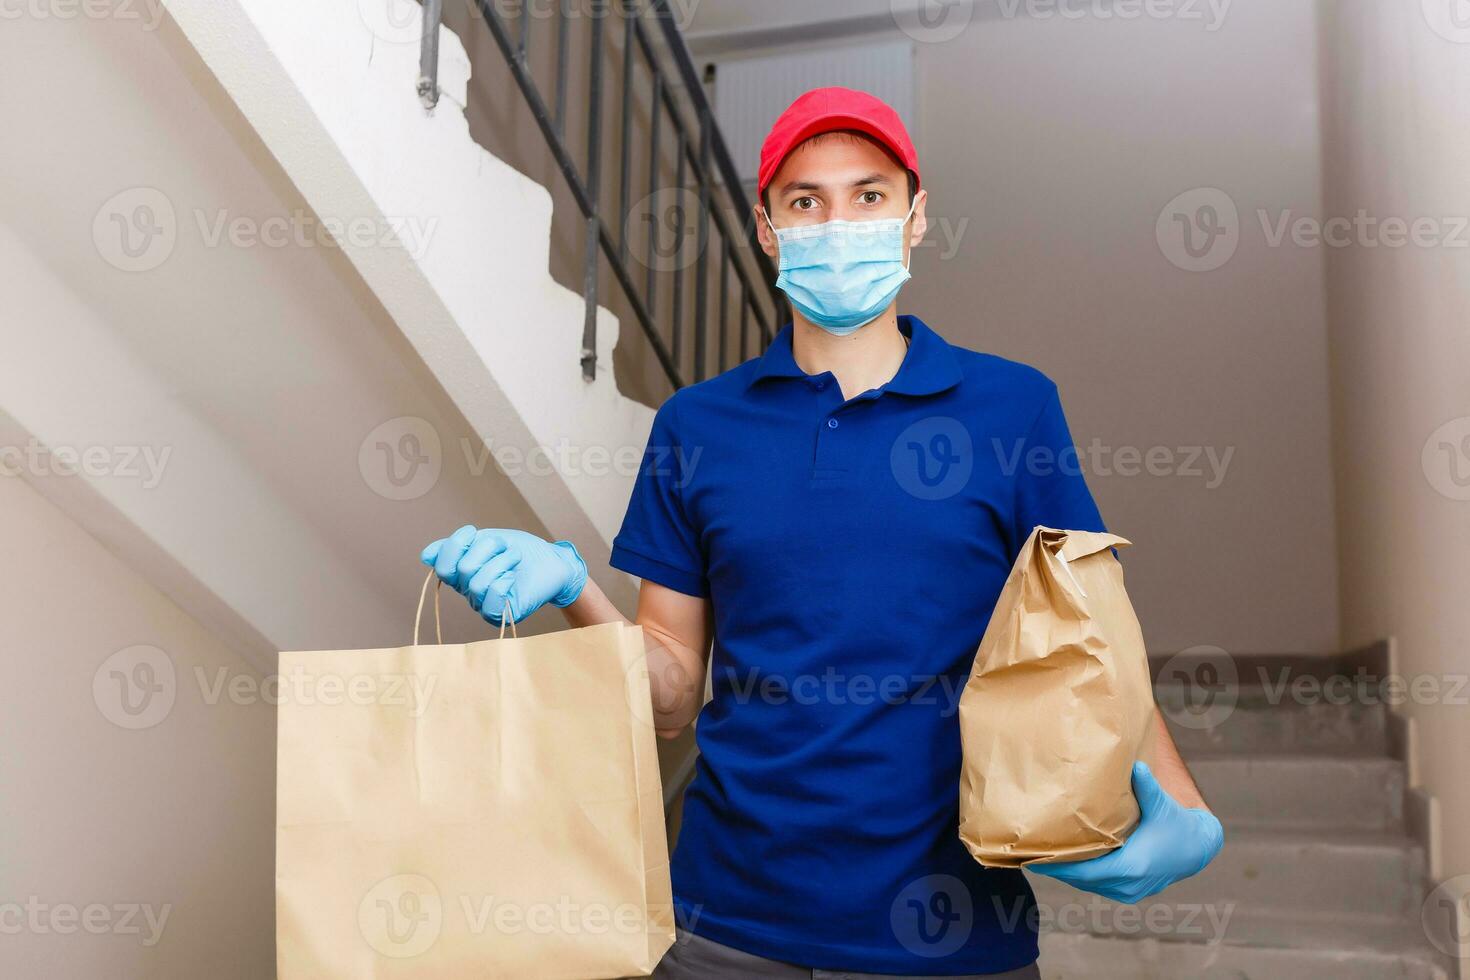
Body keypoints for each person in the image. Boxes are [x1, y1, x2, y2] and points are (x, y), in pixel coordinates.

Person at [421, 87, 1223, 978]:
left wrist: (1180, 799)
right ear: (767, 229)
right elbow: (672, 695)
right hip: (725, 930)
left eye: (868, 196)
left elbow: (1092, 637)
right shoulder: (696, 428)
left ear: (916, 218)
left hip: (957, 934)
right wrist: (574, 591)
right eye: (805, 201)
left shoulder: (1012, 407)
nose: (838, 223)